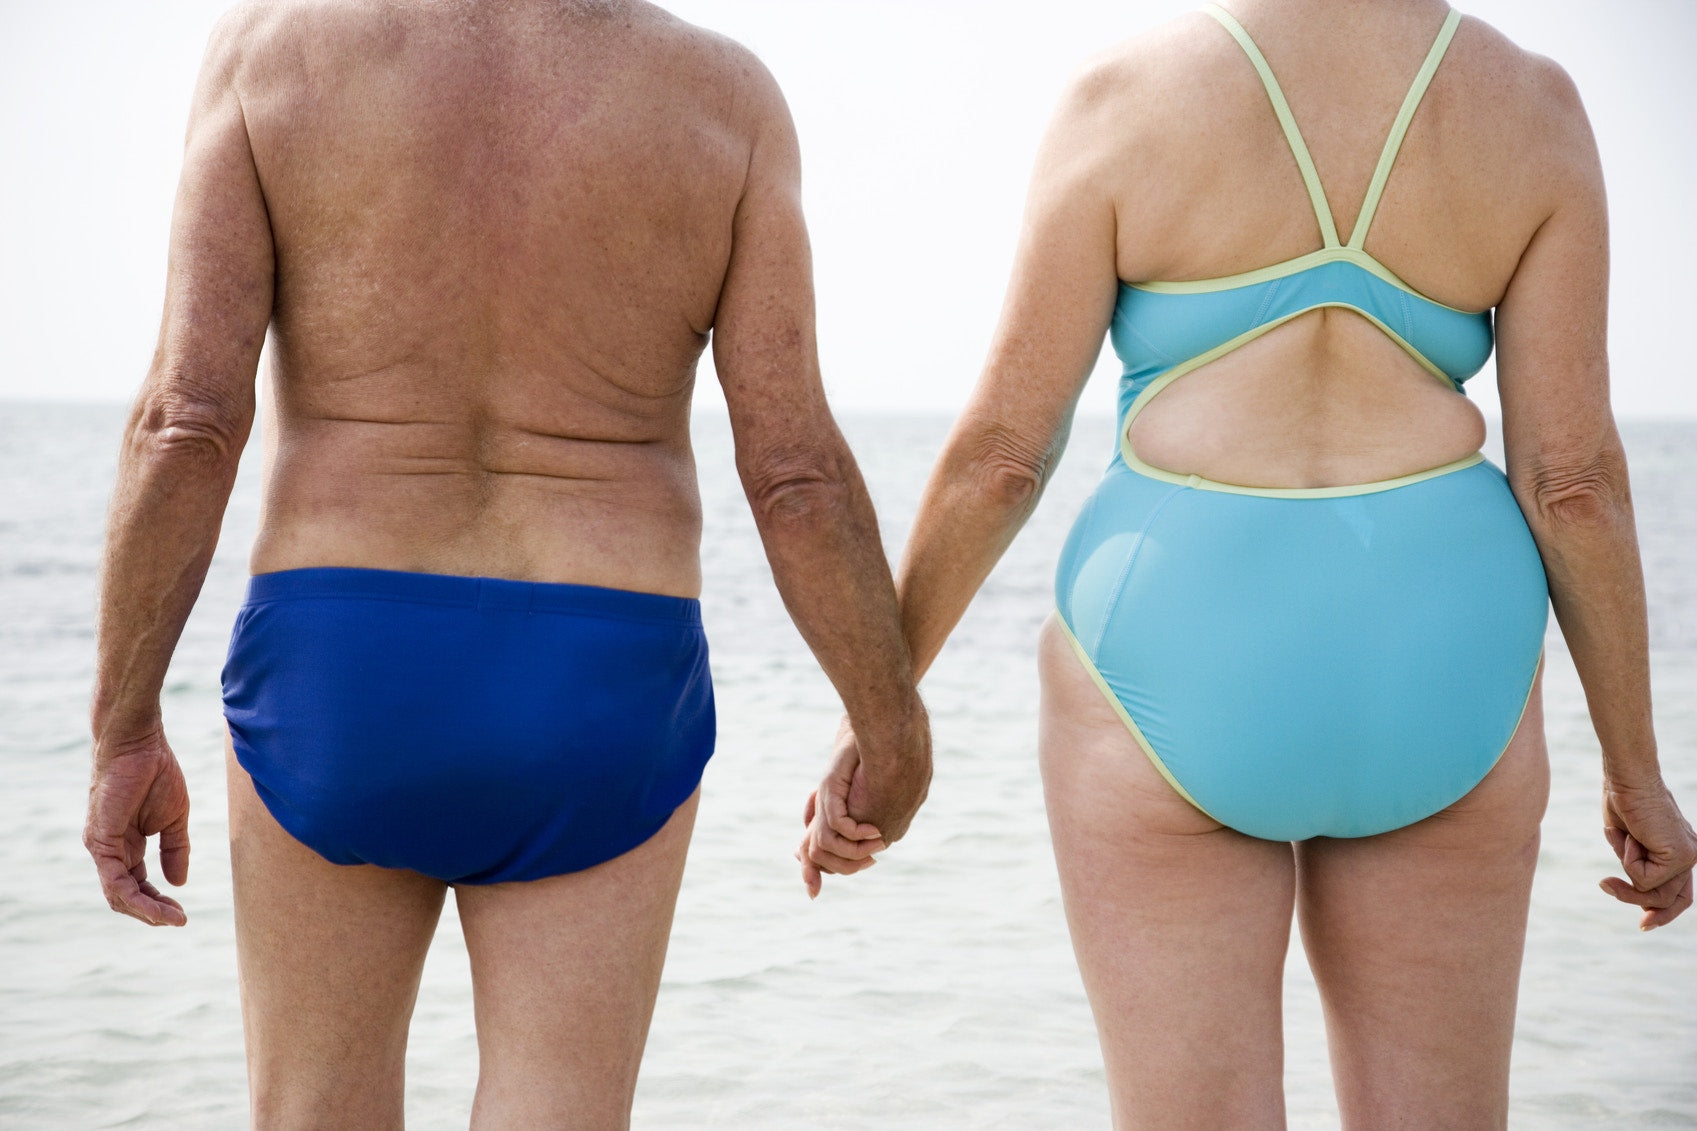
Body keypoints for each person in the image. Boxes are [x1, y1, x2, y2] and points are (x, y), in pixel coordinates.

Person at [801, 0, 1695, 1124]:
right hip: (1441, 655)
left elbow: (1000, 462)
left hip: (1175, 641)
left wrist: (877, 712)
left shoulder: (1125, 97)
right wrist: (1635, 773)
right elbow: (1571, 486)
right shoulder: (1530, 107)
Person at [84, 0, 931, 1124]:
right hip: (599, 671)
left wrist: (123, 730)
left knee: (313, 1108)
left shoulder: (274, 55)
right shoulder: (722, 98)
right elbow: (794, 476)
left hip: (344, 660)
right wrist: (890, 729)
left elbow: (185, 425)